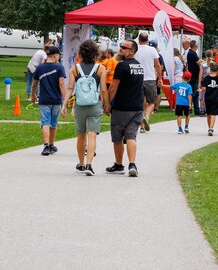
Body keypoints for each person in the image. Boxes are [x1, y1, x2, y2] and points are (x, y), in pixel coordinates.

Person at [68, 39, 108, 174]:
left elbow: (70, 88)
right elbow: (103, 90)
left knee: (81, 135)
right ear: (95, 53)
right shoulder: (100, 68)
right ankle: (89, 164)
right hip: (94, 105)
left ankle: (81, 163)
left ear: (81, 53)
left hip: (80, 105)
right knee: (92, 135)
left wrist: (64, 105)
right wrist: (106, 105)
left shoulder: (74, 68)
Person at [106, 39, 144, 176]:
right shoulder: (139, 66)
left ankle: (118, 164)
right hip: (138, 107)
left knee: (117, 137)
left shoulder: (122, 66)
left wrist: (108, 104)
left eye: (124, 47)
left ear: (132, 51)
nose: (120, 49)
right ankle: (132, 164)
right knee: (131, 136)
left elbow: (113, 87)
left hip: (122, 107)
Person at [31, 45, 67, 156]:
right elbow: (61, 84)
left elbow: (35, 83)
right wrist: (65, 100)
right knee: (53, 123)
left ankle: (46, 146)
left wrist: (33, 95)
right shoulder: (60, 67)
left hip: (44, 99)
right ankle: (51, 144)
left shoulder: (40, 68)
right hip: (56, 100)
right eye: (58, 55)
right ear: (55, 55)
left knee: (45, 122)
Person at [133, 32, 162, 133]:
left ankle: (141, 126)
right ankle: (147, 116)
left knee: (141, 103)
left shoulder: (135, 50)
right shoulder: (152, 50)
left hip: (137, 78)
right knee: (152, 102)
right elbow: (157, 65)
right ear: (147, 40)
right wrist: (160, 78)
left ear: (139, 40)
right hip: (150, 78)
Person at [202, 62, 218, 135]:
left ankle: (209, 128)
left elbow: (204, 88)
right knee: (213, 114)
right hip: (215, 98)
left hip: (207, 98)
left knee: (208, 114)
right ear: (217, 70)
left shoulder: (206, 78)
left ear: (210, 70)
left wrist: (201, 90)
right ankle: (211, 128)